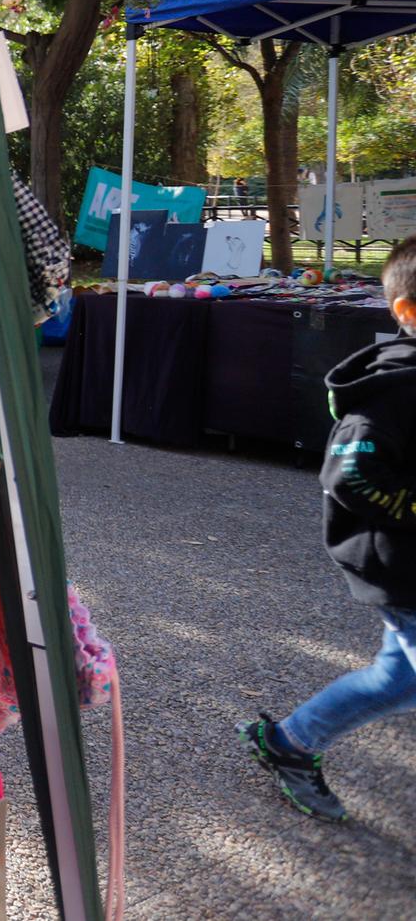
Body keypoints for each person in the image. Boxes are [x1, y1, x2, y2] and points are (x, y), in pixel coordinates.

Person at [237, 236, 416, 822]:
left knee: (399, 681)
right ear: (408, 313)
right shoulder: (388, 395)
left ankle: (288, 743)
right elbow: (349, 473)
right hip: (402, 570)